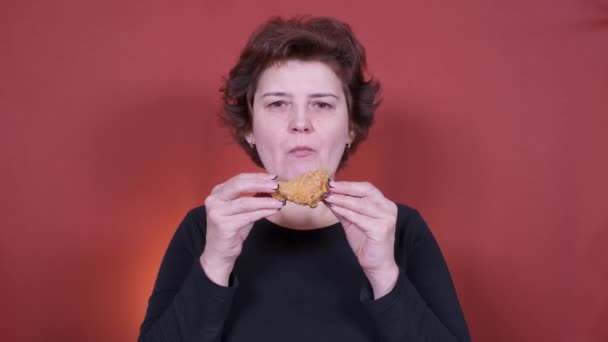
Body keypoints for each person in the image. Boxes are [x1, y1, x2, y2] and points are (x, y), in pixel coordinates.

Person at [138, 16, 471, 342]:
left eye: (322, 104)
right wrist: (214, 265)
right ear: (251, 128)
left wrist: (385, 276)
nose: (300, 122)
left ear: (350, 128)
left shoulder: (400, 230)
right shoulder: (204, 229)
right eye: (278, 103)